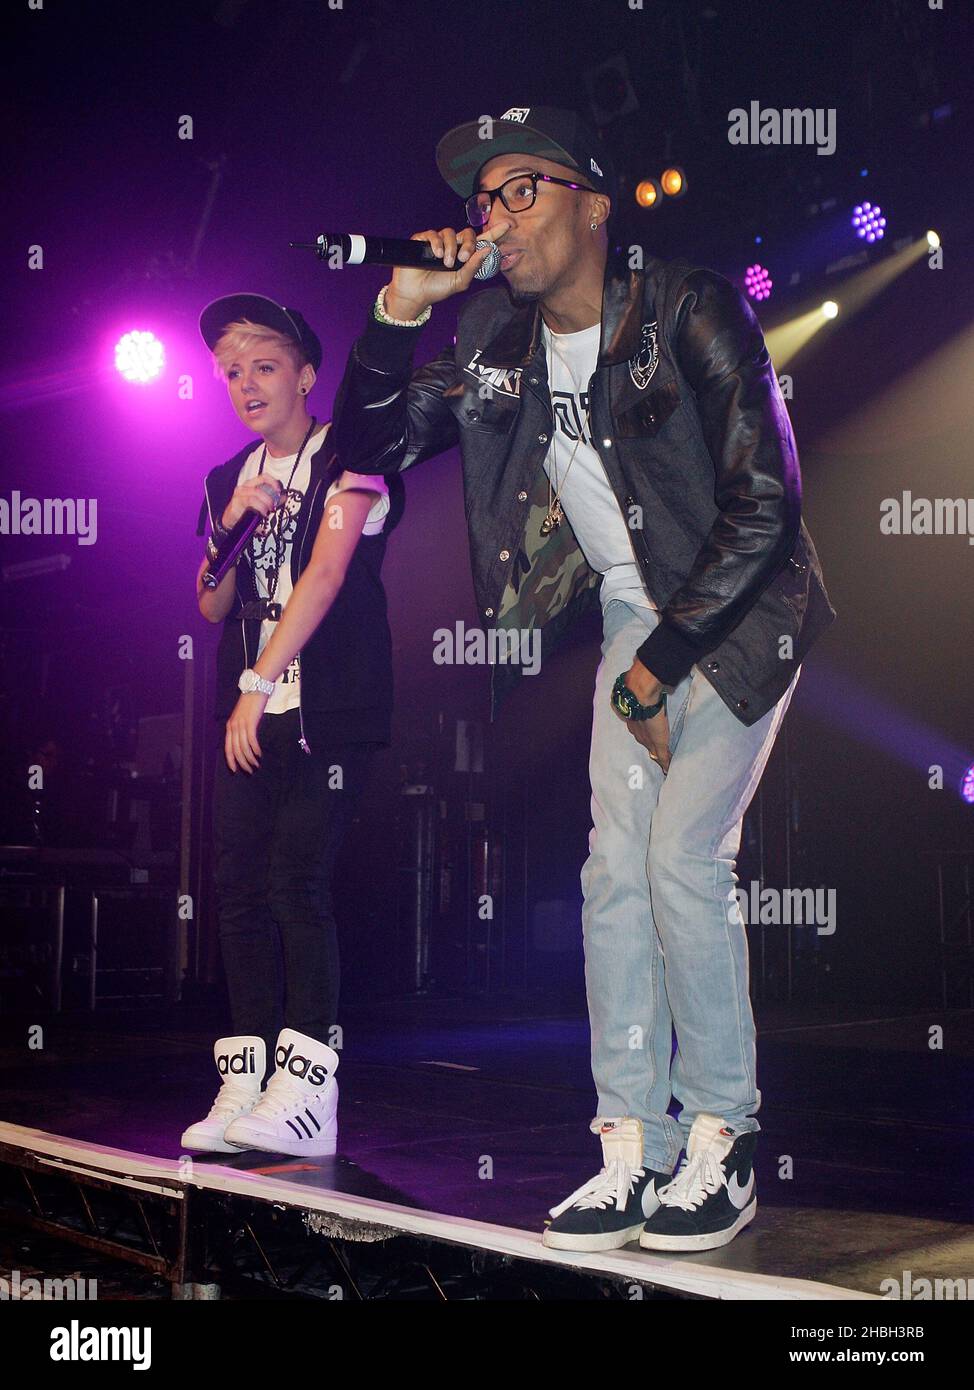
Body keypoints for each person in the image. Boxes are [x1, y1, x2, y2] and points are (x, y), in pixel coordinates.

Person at [332, 106, 836, 1250]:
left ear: (591, 205)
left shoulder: (687, 306)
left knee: (677, 859)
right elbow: (366, 453)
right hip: (628, 613)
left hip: (740, 610)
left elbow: (765, 504)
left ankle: (723, 1133)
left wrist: (659, 664)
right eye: (483, 198)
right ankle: (629, 1144)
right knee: (612, 870)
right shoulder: (493, 344)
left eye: (523, 189)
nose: (494, 217)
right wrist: (394, 317)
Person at [181, 294, 403, 1158]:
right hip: (249, 719)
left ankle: (310, 1089)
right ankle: (247, 1079)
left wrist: (255, 681)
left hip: (326, 711)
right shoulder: (221, 476)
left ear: (308, 375)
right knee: (237, 892)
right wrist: (232, 525)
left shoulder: (354, 453)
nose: (246, 383)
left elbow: (328, 572)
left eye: (264, 365)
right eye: (231, 371)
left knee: (295, 886)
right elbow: (206, 602)